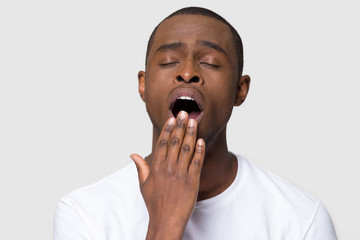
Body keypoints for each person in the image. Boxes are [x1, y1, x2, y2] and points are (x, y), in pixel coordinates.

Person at [54, 7, 337, 240]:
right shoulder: (84, 214)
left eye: (211, 62)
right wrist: (165, 224)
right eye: (168, 61)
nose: (187, 72)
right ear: (143, 85)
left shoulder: (301, 219)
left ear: (240, 90)